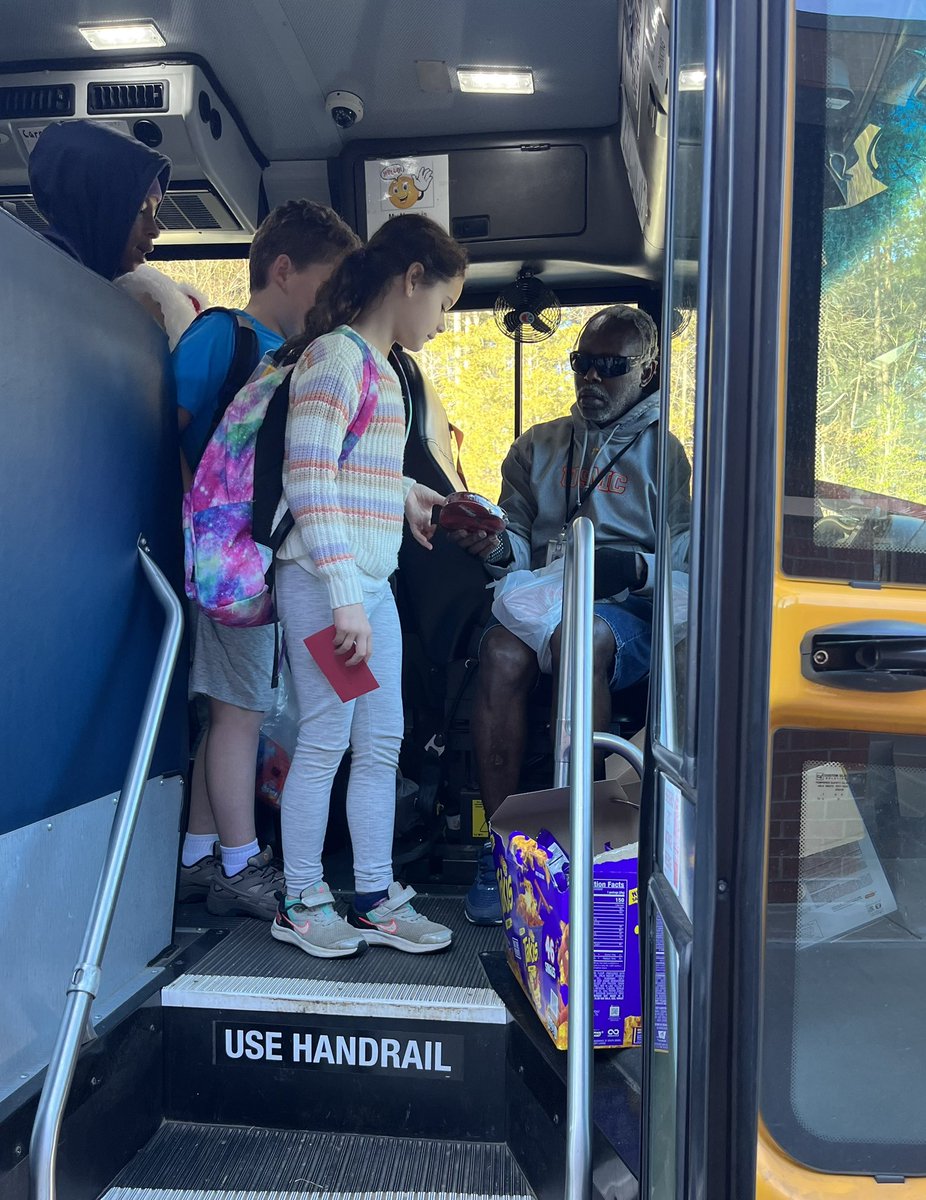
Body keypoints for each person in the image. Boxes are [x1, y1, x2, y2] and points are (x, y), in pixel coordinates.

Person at [270, 213, 468, 958]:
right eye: (444, 304)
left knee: (381, 740)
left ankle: (375, 897)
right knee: (327, 736)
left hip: (365, 584)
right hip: (329, 584)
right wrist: (344, 594)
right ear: (412, 279)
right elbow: (308, 478)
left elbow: (355, 468)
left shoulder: (381, 368)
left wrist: (408, 496)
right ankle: (300, 899)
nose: (443, 323)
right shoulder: (335, 357)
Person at [455, 305, 691, 924]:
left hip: (625, 607)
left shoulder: (667, 455)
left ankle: (578, 841)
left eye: (610, 366)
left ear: (648, 371)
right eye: (581, 362)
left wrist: (634, 568)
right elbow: (514, 546)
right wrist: (490, 545)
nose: (591, 378)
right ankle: (501, 845)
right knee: (498, 651)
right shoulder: (536, 446)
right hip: (545, 591)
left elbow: (686, 562)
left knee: (578, 641)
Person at [177, 200, 360, 921]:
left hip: (259, 560)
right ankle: (239, 862)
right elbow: (167, 431)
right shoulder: (226, 338)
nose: (336, 301)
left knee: (232, 709)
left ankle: (199, 852)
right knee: (241, 714)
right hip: (230, 557)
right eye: (329, 283)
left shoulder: (298, 356)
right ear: (283, 270)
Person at [28, 119, 170, 283]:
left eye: (153, 213)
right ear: (91, 205)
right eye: (140, 210)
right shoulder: (48, 281)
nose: (154, 230)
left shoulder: (87, 283)